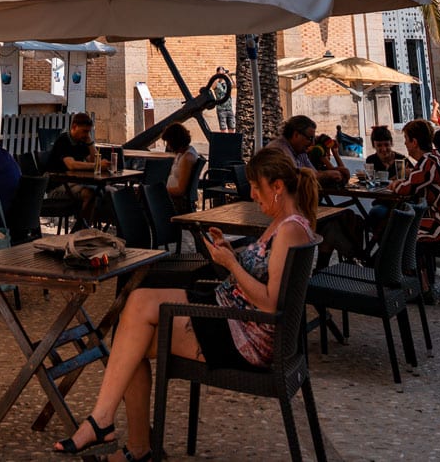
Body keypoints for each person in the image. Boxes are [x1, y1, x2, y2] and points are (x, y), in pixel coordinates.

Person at [51, 146, 318, 461]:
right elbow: (261, 276)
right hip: (230, 314)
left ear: (277, 187)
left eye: (257, 187)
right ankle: (117, 432)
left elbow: (272, 304)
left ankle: (117, 434)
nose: (253, 195)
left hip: (244, 338)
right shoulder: (285, 223)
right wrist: (227, 252)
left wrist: (231, 264)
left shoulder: (289, 230)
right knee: (133, 325)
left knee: (132, 333)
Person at [390, 119, 440, 250]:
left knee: (401, 227)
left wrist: (395, 184)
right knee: (403, 224)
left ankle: (401, 268)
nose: (405, 143)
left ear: (414, 142)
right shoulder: (437, 157)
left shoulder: (429, 161)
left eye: (406, 139)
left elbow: (404, 189)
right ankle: (414, 268)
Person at [267, 115, 349, 190]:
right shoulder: (280, 149)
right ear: (296, 135)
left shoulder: (300, 151)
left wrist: (334, 172)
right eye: (309, 138)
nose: (312, 143)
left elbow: (313, 173)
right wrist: (327, 174)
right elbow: (295, 179)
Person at [45, 112, 98, 227]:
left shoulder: (82, 141)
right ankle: (81, 230)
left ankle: (86, 228)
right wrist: (97, 166)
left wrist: (90, 142)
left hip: (73, 184)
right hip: (57, 187)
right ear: (74, 127)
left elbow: (93, 160)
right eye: (84, 131)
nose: (86, 134)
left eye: (88, 132)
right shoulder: (63, 141)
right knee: (90, 193)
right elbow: (71, 165)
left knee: (106, 191)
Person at [161, 123, 200, 213]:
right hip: (171, 197)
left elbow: (180, 190)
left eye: (168, 142)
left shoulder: (187, 158)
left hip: (176, 202)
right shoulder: (183, 153)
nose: (168, 146)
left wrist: (160, 191)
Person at [214, 66, 235, 132]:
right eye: (220, 73)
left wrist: (229, 76)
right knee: (223, 129)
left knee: (232, 128)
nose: (222, 75)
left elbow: (235, 85)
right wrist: (218, 76)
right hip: (221, 109)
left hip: (229, 108)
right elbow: (213, 87)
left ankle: (231, 141)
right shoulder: (216, 83)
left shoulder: (227, 83)